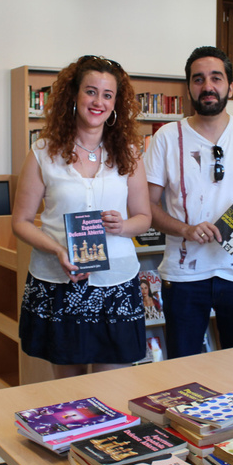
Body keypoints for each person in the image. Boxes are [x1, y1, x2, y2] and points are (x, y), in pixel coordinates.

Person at [12, 55, 151, 379]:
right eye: (91, 91)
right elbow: (20, 221)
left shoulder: (129, 153)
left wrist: (124, 226)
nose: (98, 101)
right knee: (69, 393)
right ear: (74, 95)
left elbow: (144, 217)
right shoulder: (43, 152)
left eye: (107, 95)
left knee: (113, 386)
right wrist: (58, 251)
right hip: (59, 282)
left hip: (116, 282)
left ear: (116, 103)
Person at [144, 46, 233, 358]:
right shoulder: (166, 137)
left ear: (230, 86)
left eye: (216, 78)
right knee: (182, 370)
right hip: (184, 274)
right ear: (189, 87)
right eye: (198, 79)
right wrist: (186, 229)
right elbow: (147, 207)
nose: (207, 86)